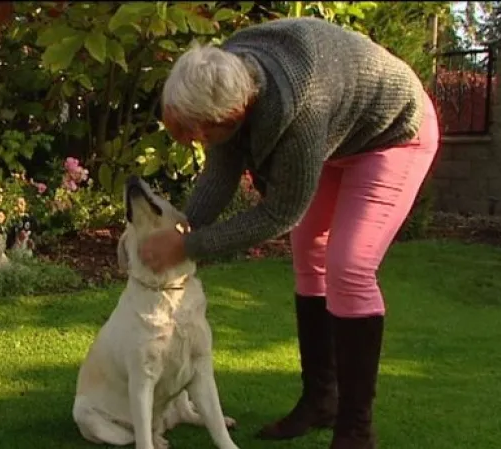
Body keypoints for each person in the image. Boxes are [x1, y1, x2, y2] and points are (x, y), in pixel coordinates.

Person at [138, 17, 439, 449]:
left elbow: (280, 213)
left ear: (233, 114)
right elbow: (220, 173)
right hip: (341, 136)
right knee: (309, 257)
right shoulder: (227, 73)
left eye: (202, 131)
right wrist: (184, 225)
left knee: (349, 267)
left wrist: (187, 245)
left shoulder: (301, 111)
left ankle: (355, 430)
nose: (198, 140)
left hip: (393, 133)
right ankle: (321, 400)